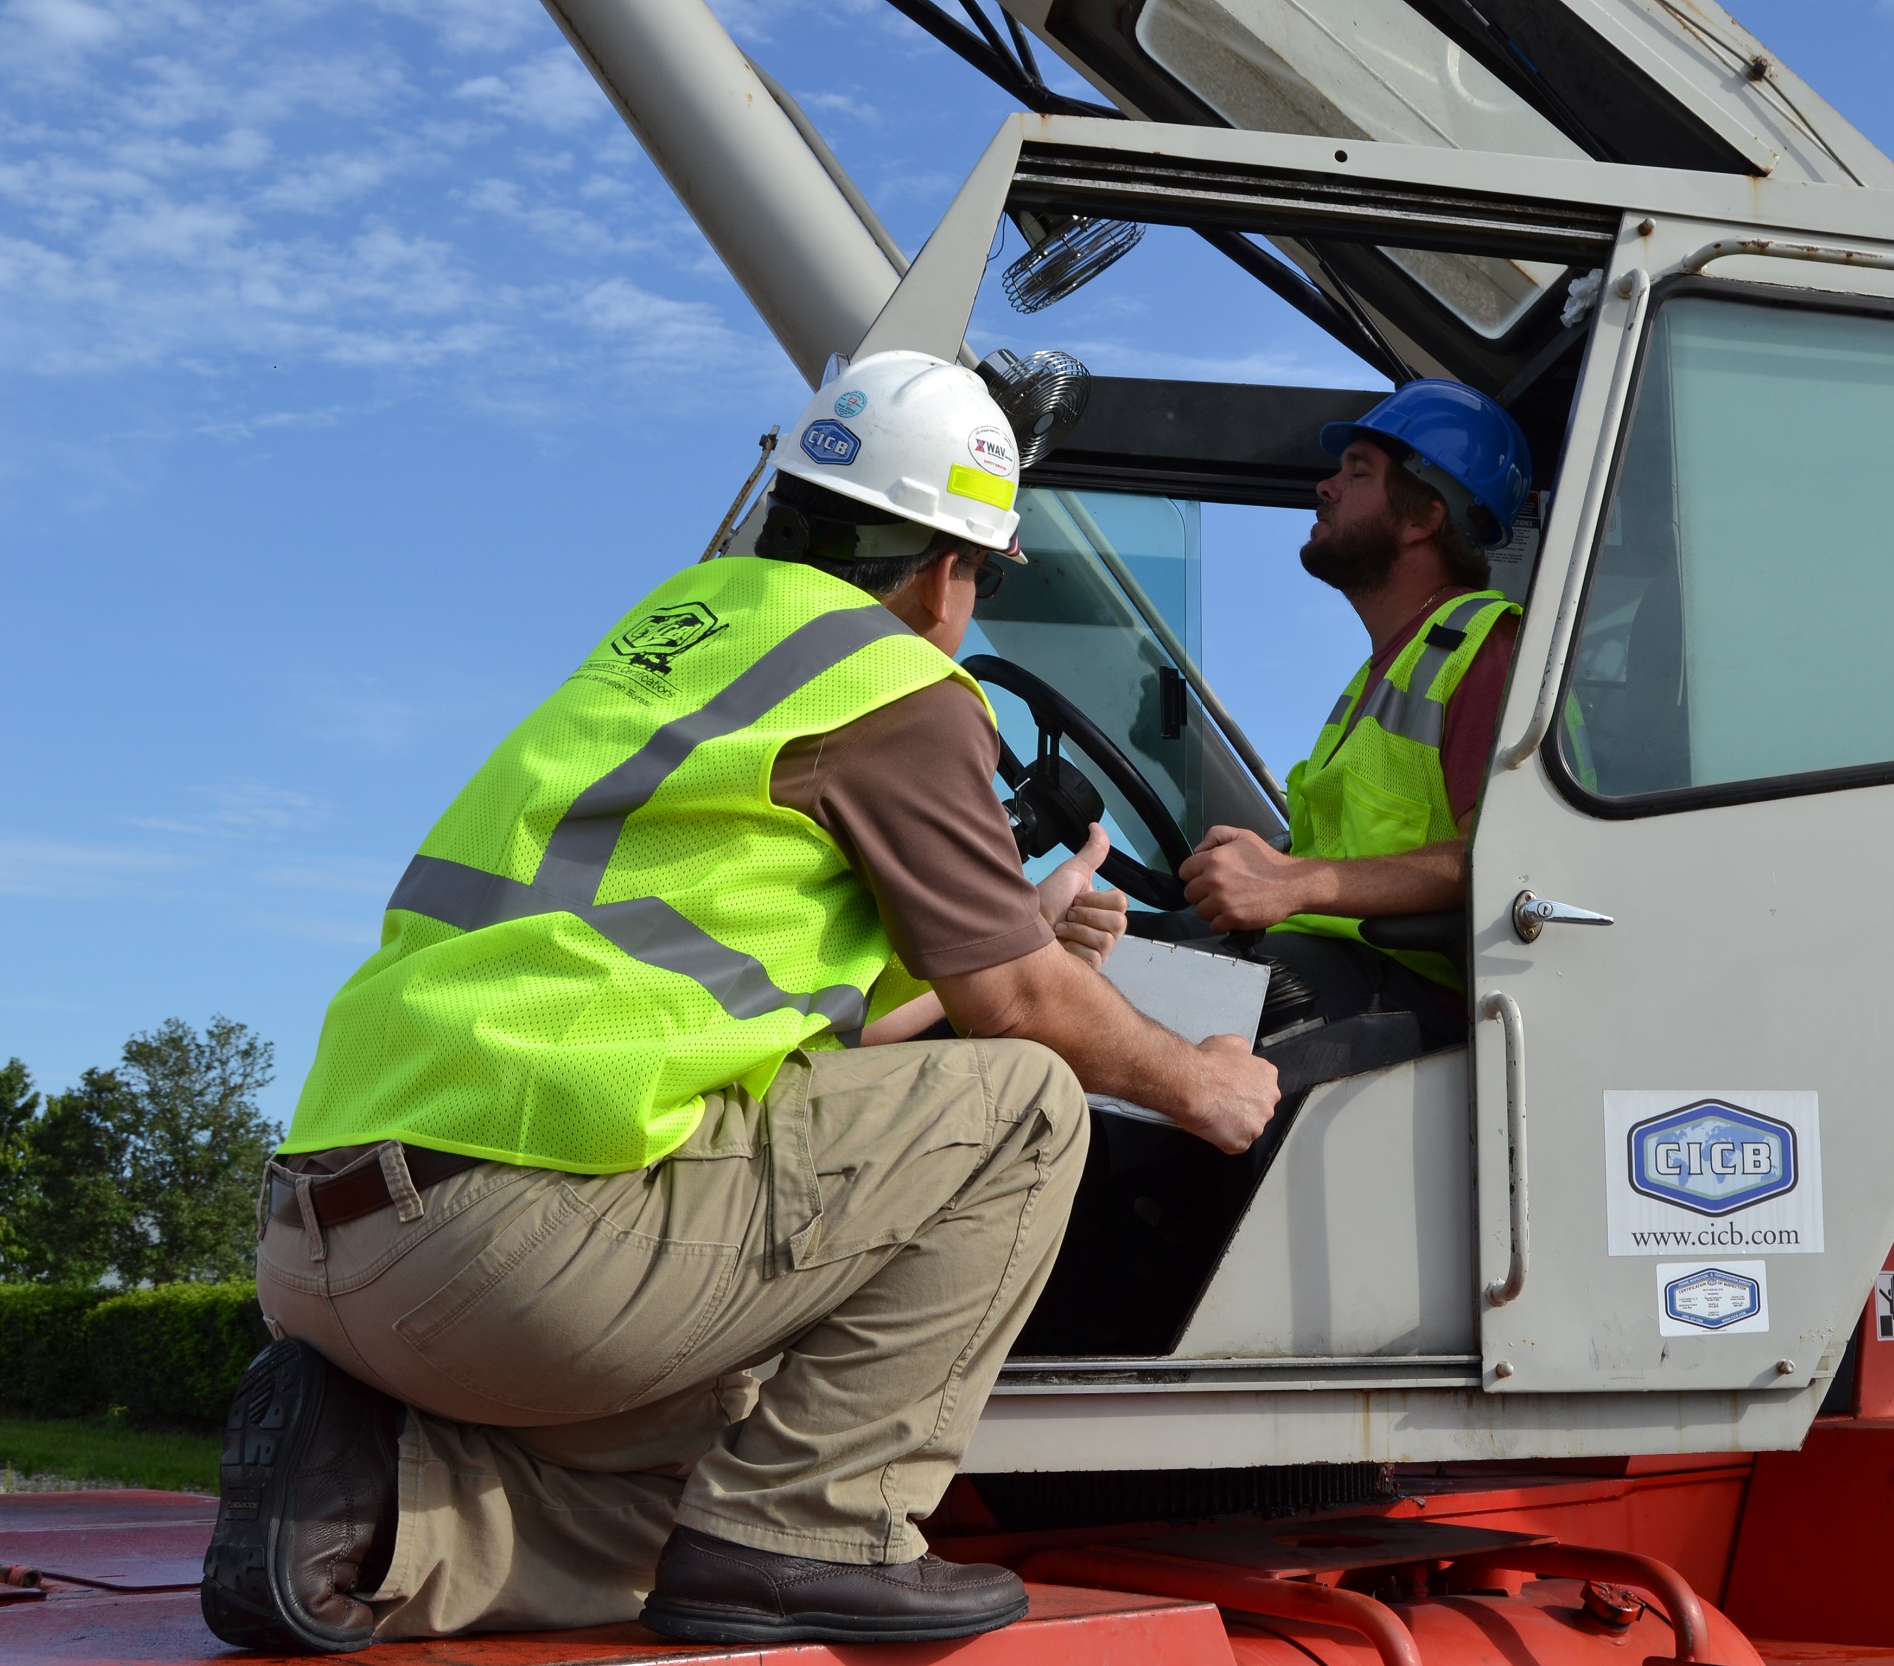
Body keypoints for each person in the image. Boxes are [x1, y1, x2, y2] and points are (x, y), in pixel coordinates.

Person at [204, 349, 1279, 1655]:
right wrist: (1202, 1078)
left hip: (335, 1238)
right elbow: (1014, 1012)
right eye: (984, 577)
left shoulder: (686, 633)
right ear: (949, 570)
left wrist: (1023, 929)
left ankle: (372, 1510)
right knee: (1031, 1108)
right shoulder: (897, 686)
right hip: (510, 1248)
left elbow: (823, 1046)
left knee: (725, 1467)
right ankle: (819, 1534)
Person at [1179, 380, 1532, 1050]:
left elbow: (1507, 864)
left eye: (1358, 472)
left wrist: (1291, 882)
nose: (1326, 488)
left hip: (1410, 997)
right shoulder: (1387, 670)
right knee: (1101, 960)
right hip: (1338, 964)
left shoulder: (1486, 649)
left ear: (1422, 518)